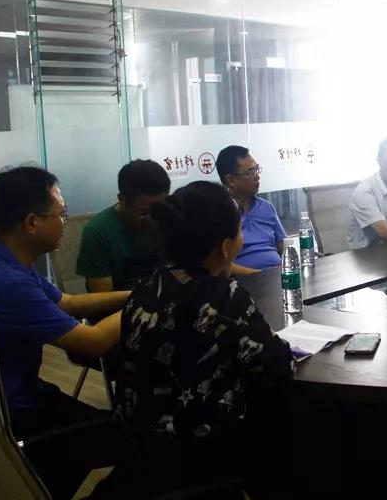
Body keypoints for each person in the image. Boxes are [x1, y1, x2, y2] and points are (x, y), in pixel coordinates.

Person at [105, 181, 294, 498]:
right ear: (226, 247)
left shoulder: (147, 287)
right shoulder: (222, 297)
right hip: (196, 456)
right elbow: (280, 366)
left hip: (139, 453)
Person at [0, 166, 129, 499]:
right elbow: (92, 343)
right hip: (10, 415)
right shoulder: (4, 280)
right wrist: (154, 299)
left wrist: (134, 294)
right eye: (61, 214)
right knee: (128, 441)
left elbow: (67, 303)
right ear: (32, 223)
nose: (65, 222)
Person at [76, 159, 171, 292]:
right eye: (144, 212)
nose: (153, 218)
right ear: (122, 199)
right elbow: (103, 297)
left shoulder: (167, 220)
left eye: (158, 210)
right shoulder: (98, 232)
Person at [217, 145, 287, 270]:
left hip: (277, 275)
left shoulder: (267, 207)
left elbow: (282, 246)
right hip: (243, 280)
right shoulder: (219, 212)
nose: (257, 176)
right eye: (251, 172)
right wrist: (258, 274)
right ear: (231, 180)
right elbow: (220, 264)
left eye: (257, 170)